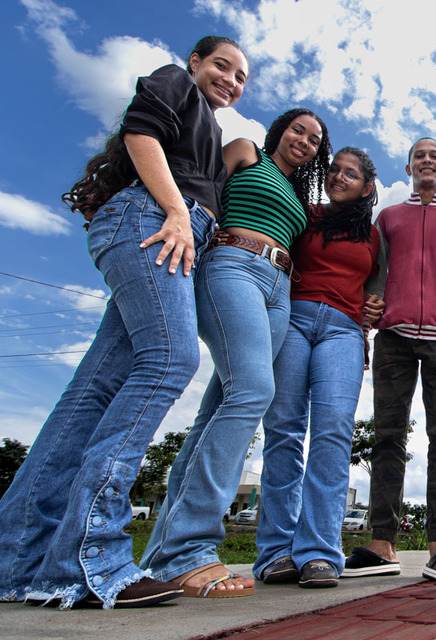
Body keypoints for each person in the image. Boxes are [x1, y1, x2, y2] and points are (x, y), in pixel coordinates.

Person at [0, 36, 249, 609]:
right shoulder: (174, 81)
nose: (231, 80)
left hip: (163, 230)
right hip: (156, 224)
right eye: (222, 65)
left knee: (93, 390)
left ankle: (19, 559)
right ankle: (90, 558)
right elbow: (141, 134)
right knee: (172, 359)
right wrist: (177, 214)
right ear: (195, 62)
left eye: (241, 77)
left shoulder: (211, 132)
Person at [139, 109, 330, 598]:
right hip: (233, 264)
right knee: (254, 391)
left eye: (314, 140)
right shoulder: (247, 151)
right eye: (298, 131)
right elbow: (201, 193)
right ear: (281, 131)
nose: (304, 142)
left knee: (216, 409)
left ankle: (166, 551)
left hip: (279, 289)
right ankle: (190, 548)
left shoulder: (302, 199)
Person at [342, 137, 436, 584]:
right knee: (387, 437)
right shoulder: (388, 218)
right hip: (394, 340)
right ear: (407, 167)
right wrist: (368, 314)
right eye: (419, 155)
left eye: (434, 156)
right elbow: (373, 276)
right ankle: (383, 543)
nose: (427, 161)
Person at [252, 147, 384, 589]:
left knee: (332, 431)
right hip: (292, 318)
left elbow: (377, 285)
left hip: (343, 331)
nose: (339, 177)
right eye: (334, 171)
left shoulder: (372, 234)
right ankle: (275, 552)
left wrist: (376, 304)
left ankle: (319, 553)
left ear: (366, 187)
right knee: (284, 429)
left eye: (350, 174)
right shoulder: (305, 213)